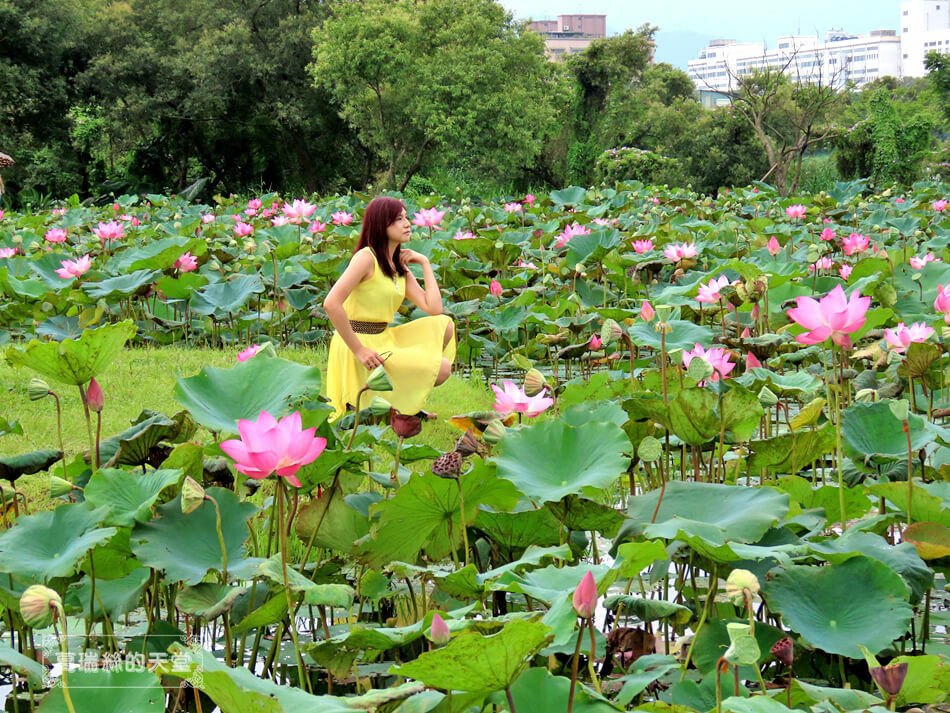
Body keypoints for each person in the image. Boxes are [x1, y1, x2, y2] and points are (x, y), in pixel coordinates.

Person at [324, 196, 455, 421]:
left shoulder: (397, 266)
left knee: (444, 325)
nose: (407, 224)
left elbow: (434, 308)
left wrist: (424, 263)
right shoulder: (366, 258)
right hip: (358, 342)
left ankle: (402, 405)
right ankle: (395, 406)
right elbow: (331, 303)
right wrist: (359, 350)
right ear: (381, 224)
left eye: (406, 217)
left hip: (385, 338)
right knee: (441, 368)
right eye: (399, 219)